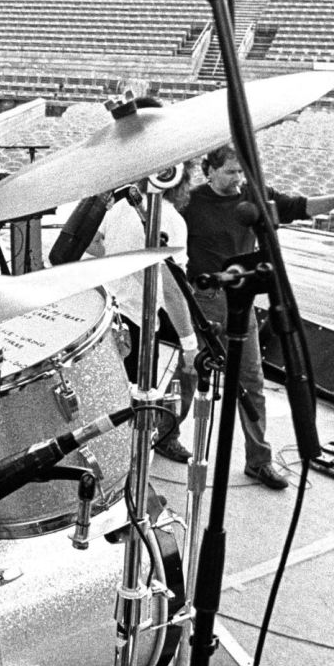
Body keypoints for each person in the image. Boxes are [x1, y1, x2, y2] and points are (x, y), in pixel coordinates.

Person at [184, 145, 334, 489]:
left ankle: (259, 461)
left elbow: (299, 207)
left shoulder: (256, 196)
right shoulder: (190, 203)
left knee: (252, 381)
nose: (239, 179)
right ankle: (165, 434)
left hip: (241, 302)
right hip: (204, 301)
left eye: (242, 172)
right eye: (230, 172)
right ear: (208, 171)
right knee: (191, 373)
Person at [89, 155, 198, 463]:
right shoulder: (171, 221)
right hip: (138, 323)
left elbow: (92, 241)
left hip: (107, 315)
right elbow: (172, 290)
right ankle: (125, 472)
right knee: (133, 409)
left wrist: (121, 260)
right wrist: (189, 344)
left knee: (105, 405)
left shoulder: (122, 207)